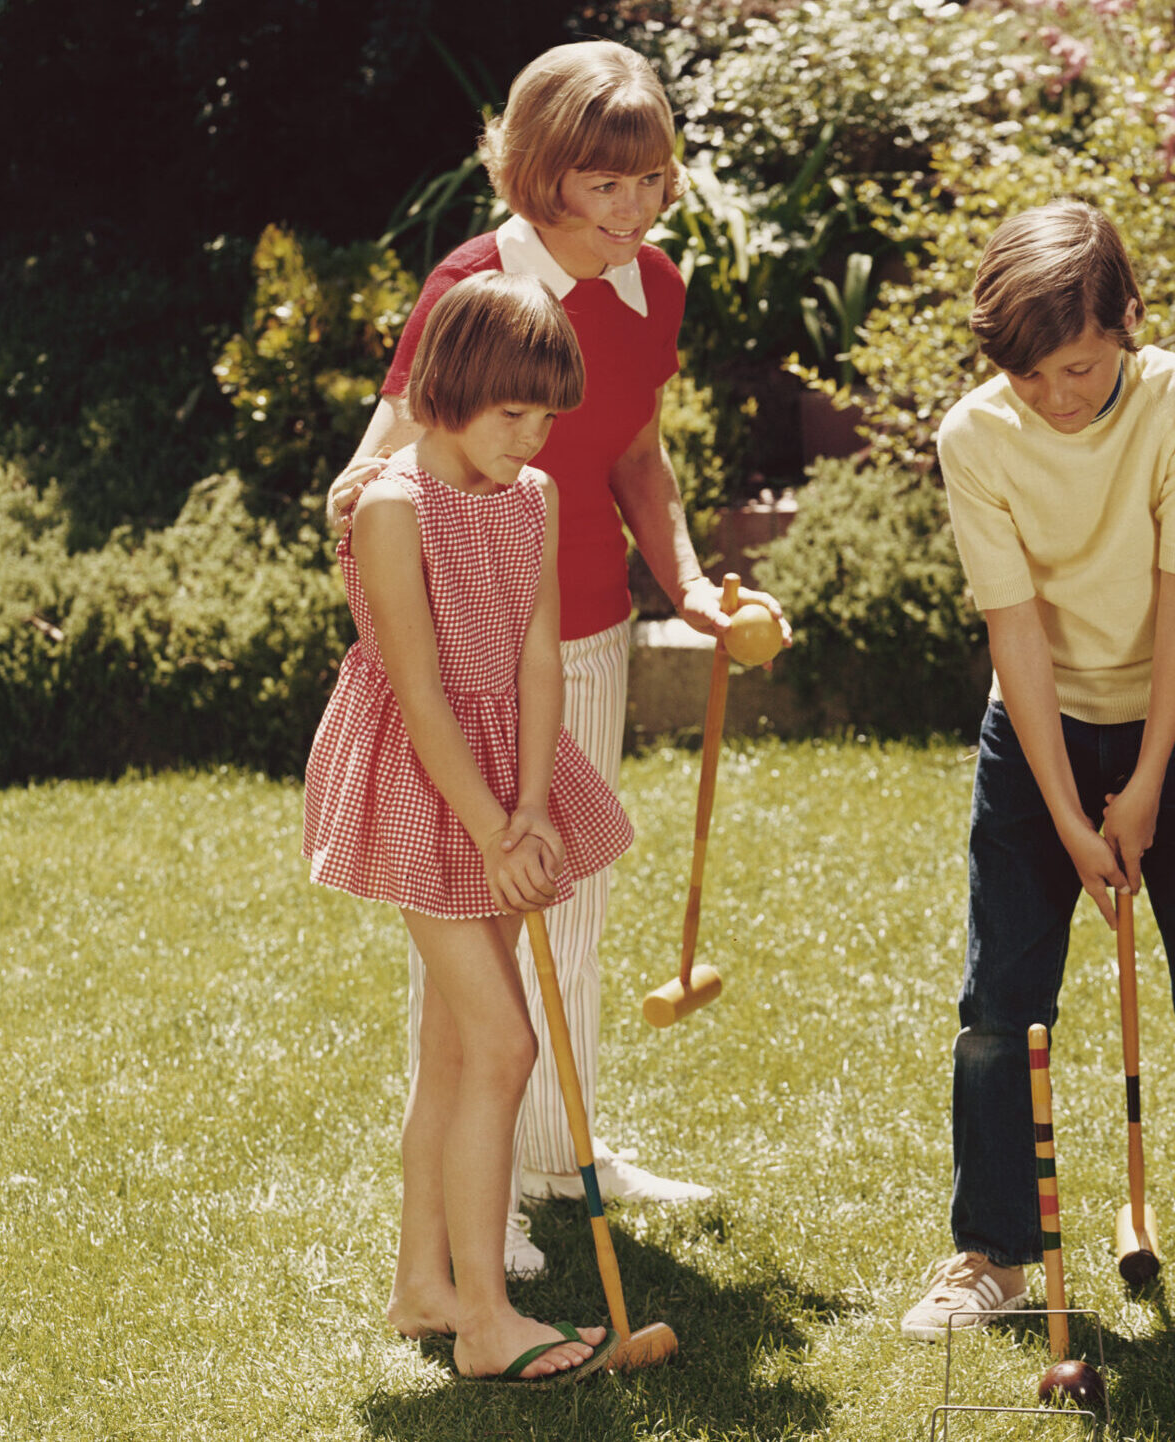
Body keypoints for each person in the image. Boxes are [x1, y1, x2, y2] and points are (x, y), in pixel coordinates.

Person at [327, 40, 780, 1271]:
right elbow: (373, 475)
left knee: (566, 899)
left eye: (649, 181)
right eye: (602, 186)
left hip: (580, 632)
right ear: (539, 176)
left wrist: (683, 581)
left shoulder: (655, 288)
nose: (633, 211)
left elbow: (634, 453)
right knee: (472, 910)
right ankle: (476, 1198)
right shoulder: (475, 288)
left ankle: (558, 1149)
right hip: (467, 659)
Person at [896, 200, 1175, 1343]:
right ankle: (991, 1250)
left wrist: (1142, 787)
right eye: (1035, 373)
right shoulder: (976, 436)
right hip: (1038, 726)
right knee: (999, 1004)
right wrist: (1065, 811)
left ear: (1129, 320)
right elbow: (1017, 631)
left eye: (1082, 365)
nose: (1058, 394)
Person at [303, 271, 631, 1382]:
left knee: (454, 1048)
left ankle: (422, 1287)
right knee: (505, 1042)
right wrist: (490, 823)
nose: (530, 438)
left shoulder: (531, 495)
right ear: (443, 390)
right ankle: (487, 1316)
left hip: (502, 783)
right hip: (423, 779)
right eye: (511, 414)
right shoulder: (392, 506)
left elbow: (540, 653)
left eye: (545, 418)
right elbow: (422, 690)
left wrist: (533, 804)